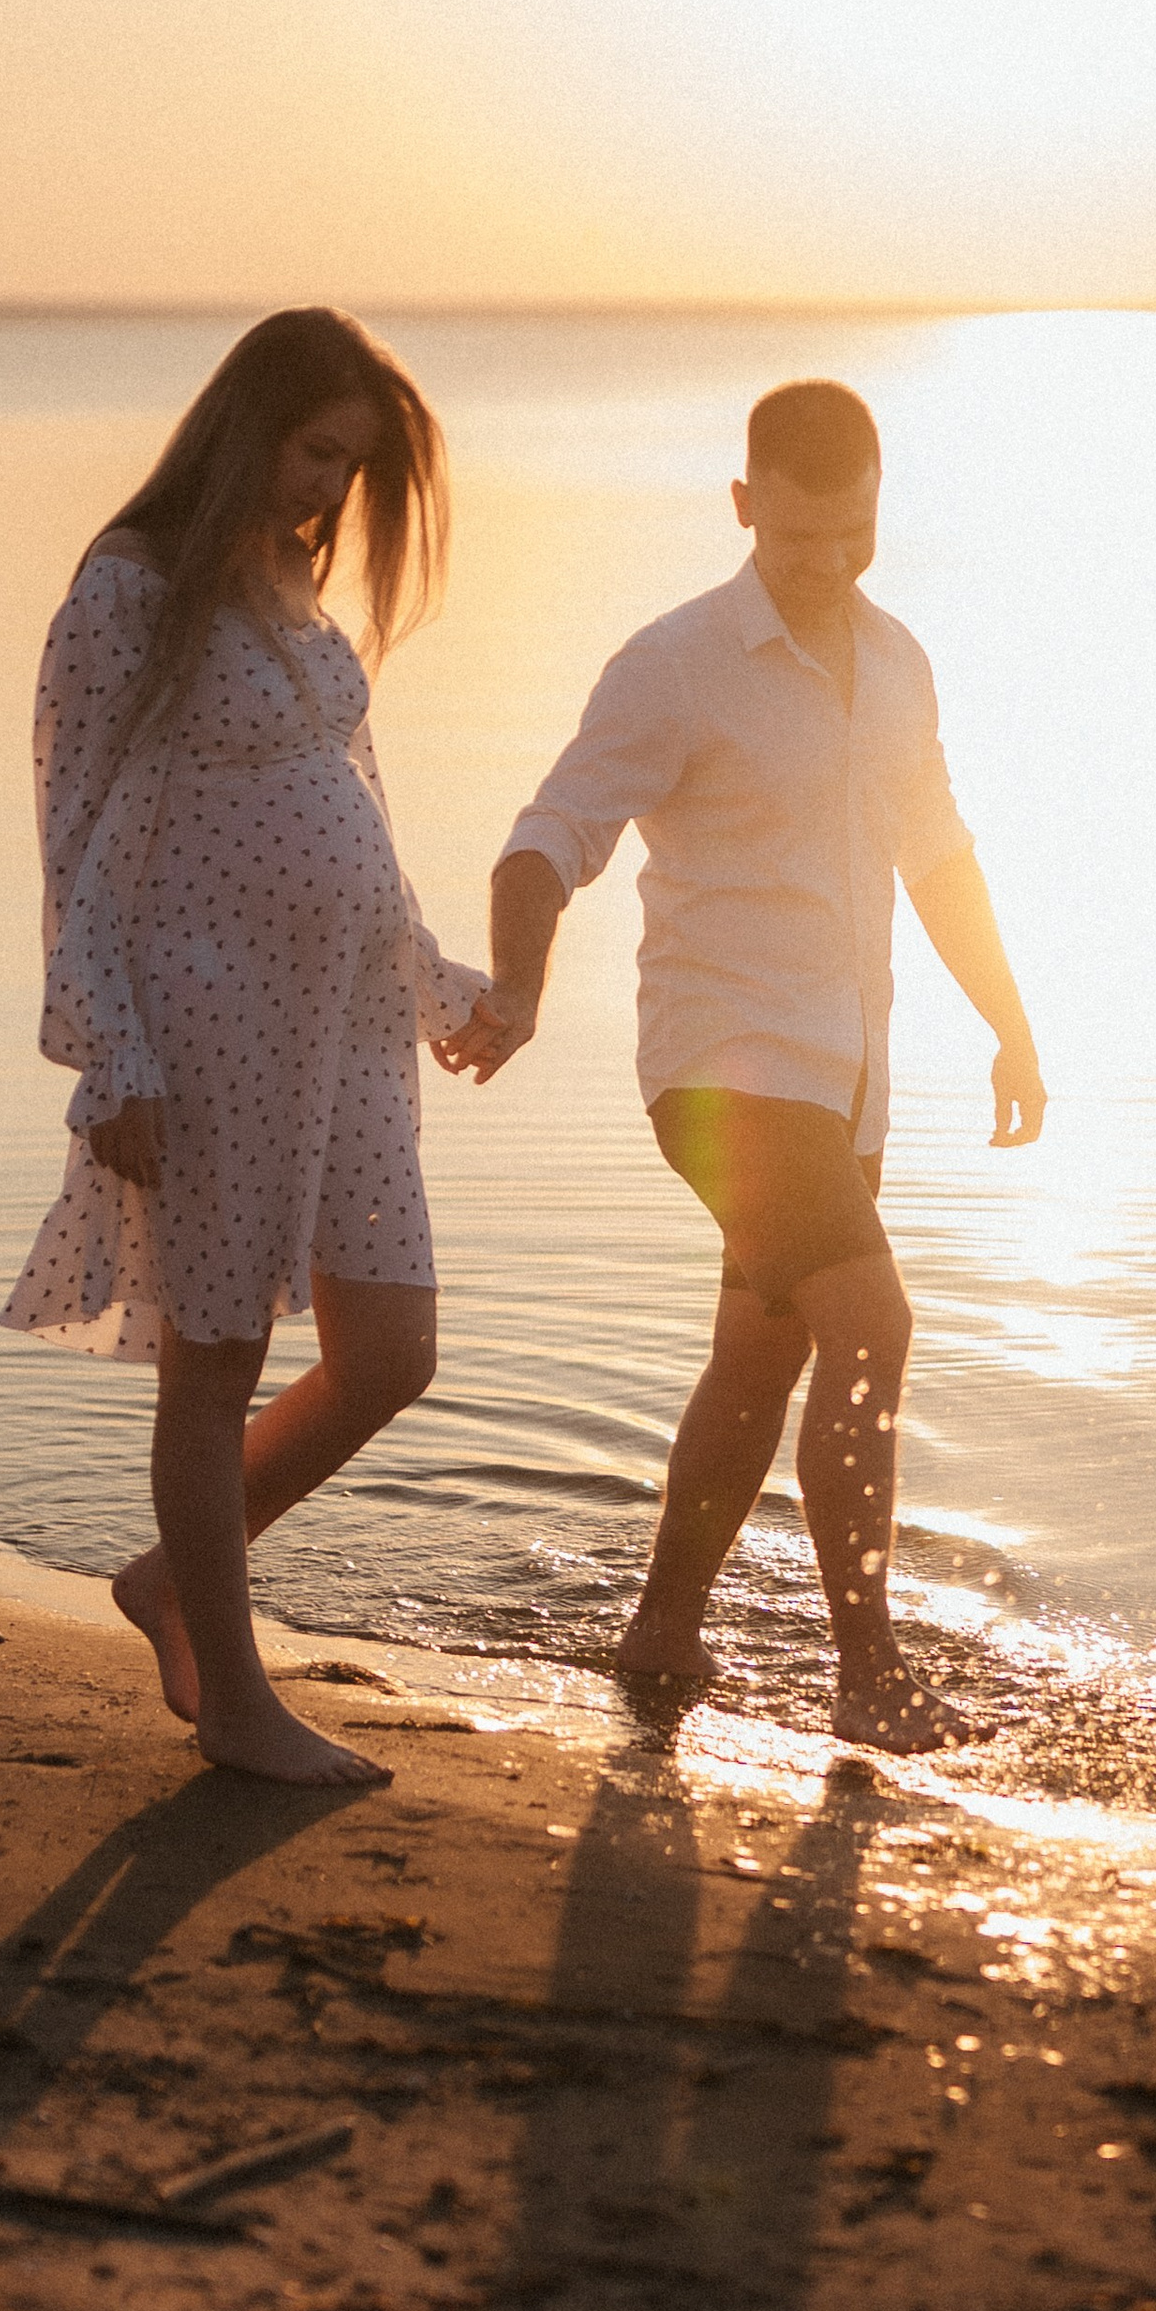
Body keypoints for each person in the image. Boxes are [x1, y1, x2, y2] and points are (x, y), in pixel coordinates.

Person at [447, 378, 1043, 1751]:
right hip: (720, 1069)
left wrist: (1012, 1023)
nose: (829, 568)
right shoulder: (674, 665)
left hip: (844, 1080)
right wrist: (522, 984)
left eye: (855, 537)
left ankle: (661, 1628)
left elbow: (939, 854)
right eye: (799, 541)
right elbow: (546, 837)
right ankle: (868, 1671)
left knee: (760, 1355)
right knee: (874, 1324)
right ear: (743, 508)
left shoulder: (897, 661)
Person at [0, 308, 484, 1787]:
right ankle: (239, 1703)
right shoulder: (129, 585)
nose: (331, 493)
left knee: (390, 1350)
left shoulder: (289, 572)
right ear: (246, 423)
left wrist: (440, 985)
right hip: (200, 1023)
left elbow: (360, 812)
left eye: (354, 467)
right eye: (316, 451)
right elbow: (74, 836)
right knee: (213, 1366)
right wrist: (112, 1059)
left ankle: (166, 1583)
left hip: (343, 1025)